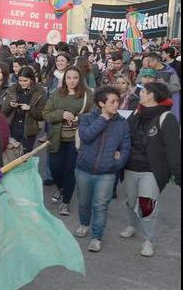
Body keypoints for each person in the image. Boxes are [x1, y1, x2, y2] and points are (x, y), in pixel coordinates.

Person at [120, 82, 181, 257]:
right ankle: (133, 225)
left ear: (152, 95)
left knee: (147, 205)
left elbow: (174, 149)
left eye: (144, 91)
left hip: (152, 170)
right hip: (130, 166)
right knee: (131, 202)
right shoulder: (137, 111)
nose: (140, 93)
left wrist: (178, 174)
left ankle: (149, 240)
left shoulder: (167, 118)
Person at [73, 87, 131, 252]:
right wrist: (103, 119)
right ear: (101, 103)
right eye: (112, 102)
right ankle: (84, 224)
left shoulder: (122, 123)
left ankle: (96, 237)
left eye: (117, 101)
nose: (116, 105)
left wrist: (115, 165)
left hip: (107, 173)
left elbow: (125, 149)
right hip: (84, 169)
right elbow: (86, 137)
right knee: (84, 202)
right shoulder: (87, 118)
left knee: (100, 205)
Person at [42, 66, 94, 216]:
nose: (72, 81)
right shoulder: (56, 94)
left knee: (70, 170)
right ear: (64, 79)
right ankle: (61, 188)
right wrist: (61, 114)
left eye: (75, 78)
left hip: (76, 140)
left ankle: (65, 202)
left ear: (80, 79)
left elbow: (94, 114)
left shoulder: (87, 94)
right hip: (56, 138)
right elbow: (46, 114)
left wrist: (80, 118)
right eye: (69, 78)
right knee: (55, 168)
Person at [2, 67, 46, 152]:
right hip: (13, 127)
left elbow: (41, 116)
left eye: (25, 81)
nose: (22, 83)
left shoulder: (40, 92)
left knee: (26, 156)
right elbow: (4, 111)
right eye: (20, 80)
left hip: (29, 130)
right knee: (12, 154)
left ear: (31, 80)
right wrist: (11, 105)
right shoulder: (12, 90)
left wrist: (30, 108)